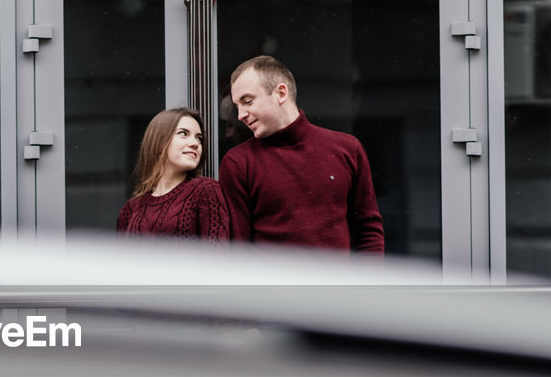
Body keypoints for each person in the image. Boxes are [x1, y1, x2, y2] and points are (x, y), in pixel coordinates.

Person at [220, 55, 385, 252]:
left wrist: (365, 282)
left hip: (339, 282)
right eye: (238, 106)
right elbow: (239, 250)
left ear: (281, 93)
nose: (240, 116)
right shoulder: (238, 162)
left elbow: (368, 231)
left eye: (248, 101)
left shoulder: (347, 149)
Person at [116, 108, 231, 242]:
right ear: (159, 139)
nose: (195, 143)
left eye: (199, 138)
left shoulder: (205, 190)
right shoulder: (131, 208)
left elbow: (217, 255)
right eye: (183, 133)